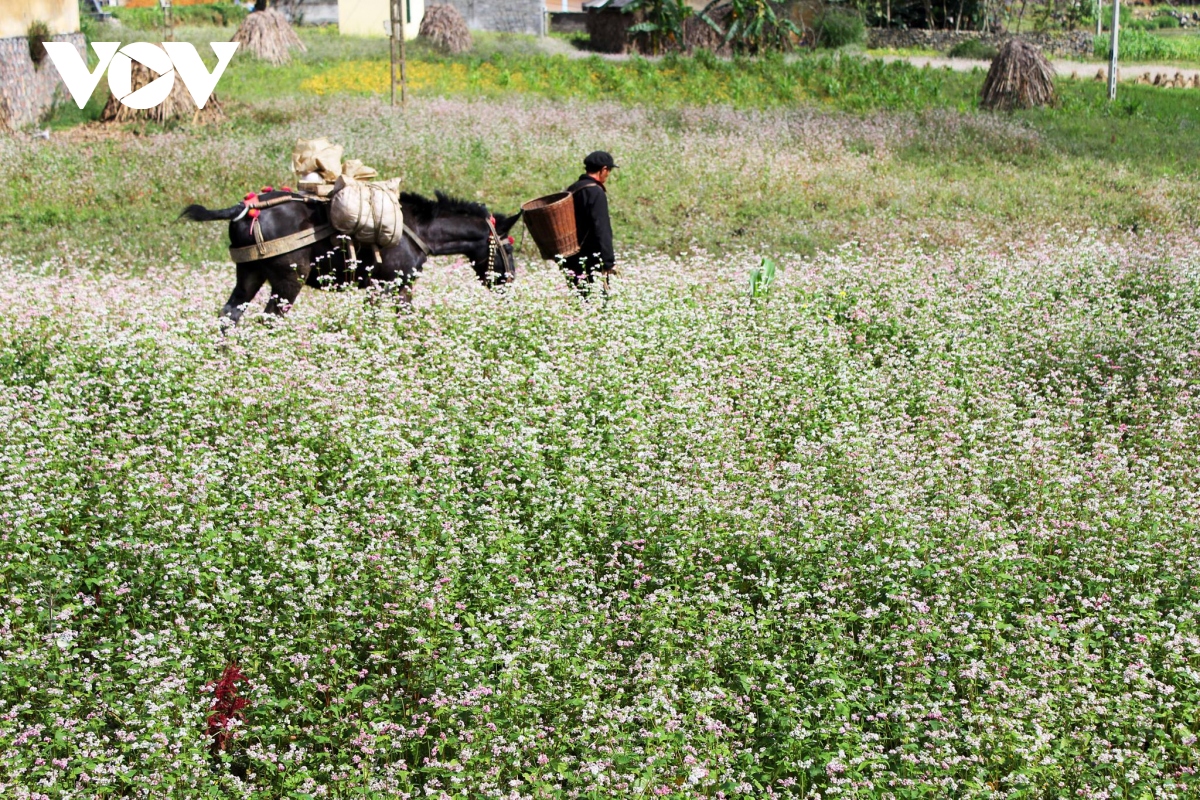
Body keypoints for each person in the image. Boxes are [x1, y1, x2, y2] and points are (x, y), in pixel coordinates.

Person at [562, 151, 617, 297]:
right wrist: (608, 261)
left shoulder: (572, 189)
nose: (608, 174)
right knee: (596, 302)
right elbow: (601, 228)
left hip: (570, 256)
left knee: (579, 300)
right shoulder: (596, 192)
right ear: (603, 169)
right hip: (591, 258)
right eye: (609, 170)